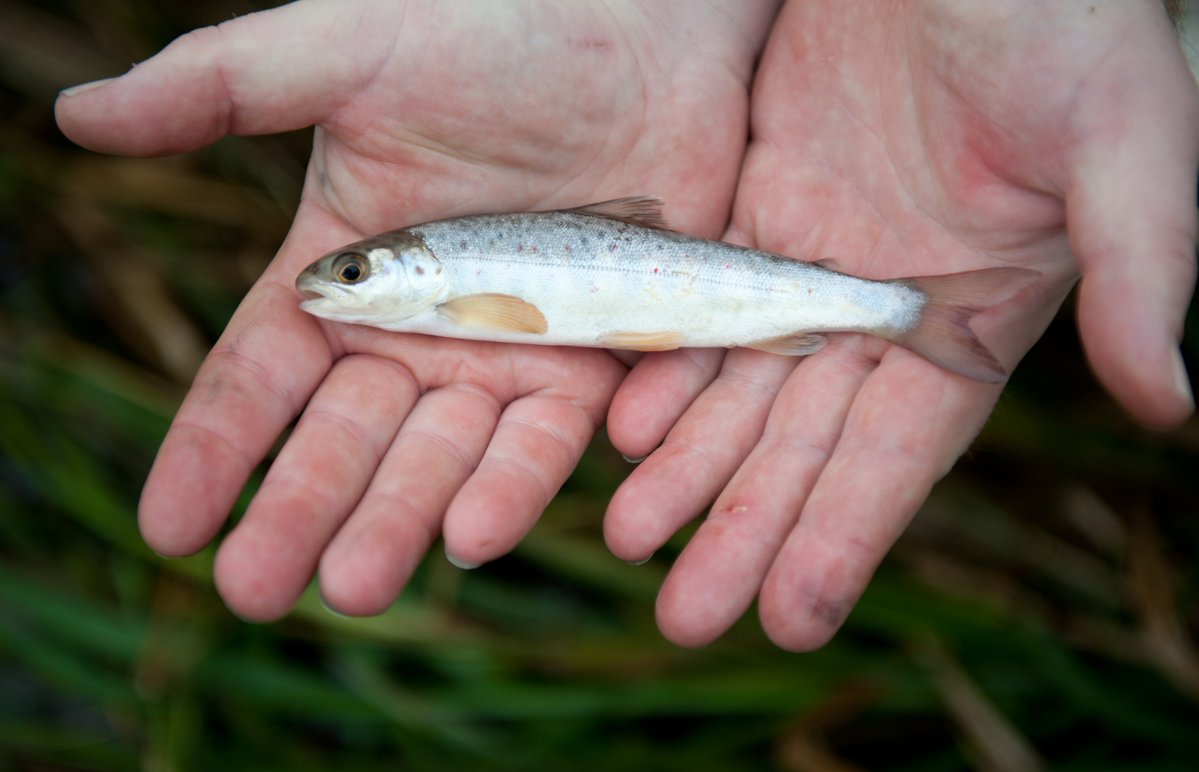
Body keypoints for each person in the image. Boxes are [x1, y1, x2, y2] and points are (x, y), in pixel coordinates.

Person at [56, 0, 1197, 650]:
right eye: (351, 275)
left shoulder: (452, 290)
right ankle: (918, 316)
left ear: (401, 268)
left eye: (352, 274)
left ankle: (908, 313)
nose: (337, 283)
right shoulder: (443, 282)